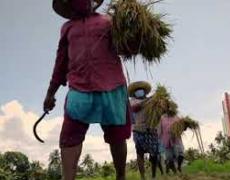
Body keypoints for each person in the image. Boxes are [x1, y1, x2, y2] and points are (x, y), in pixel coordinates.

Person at [43, 0, 131, 179]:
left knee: (117, 135)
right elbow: (61, 63)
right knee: (69, 137)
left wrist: (133, 32)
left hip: (111, 87)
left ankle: (121, 175)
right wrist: (50, 93)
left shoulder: (109, 22)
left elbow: (126, 47)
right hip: (79, 89)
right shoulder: (67, 28)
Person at [129, 81, 162, 180]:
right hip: (138, 130)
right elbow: (134, 108)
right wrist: (149, 101)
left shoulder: (152, 101)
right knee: (140, 153)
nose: (140, 92)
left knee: (154, 154)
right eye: (137, 90)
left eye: (141, 90)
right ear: (134, 93)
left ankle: (153, 175)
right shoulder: (132, 101)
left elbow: (158, 112)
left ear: (145, 92)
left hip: (151, 129)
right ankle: (143, 177)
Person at [158, 103, 185, 174]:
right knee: (169, 158)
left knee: (181, 154)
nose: (170, 110)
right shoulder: (162, 118)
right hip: (166, 140)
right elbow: (159, 130)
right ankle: (170, 171)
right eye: (168, 108)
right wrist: (159, 139)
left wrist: (184, 127)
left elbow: (181, 128)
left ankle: (179, 166)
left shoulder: (177, 118)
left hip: (176, 139)